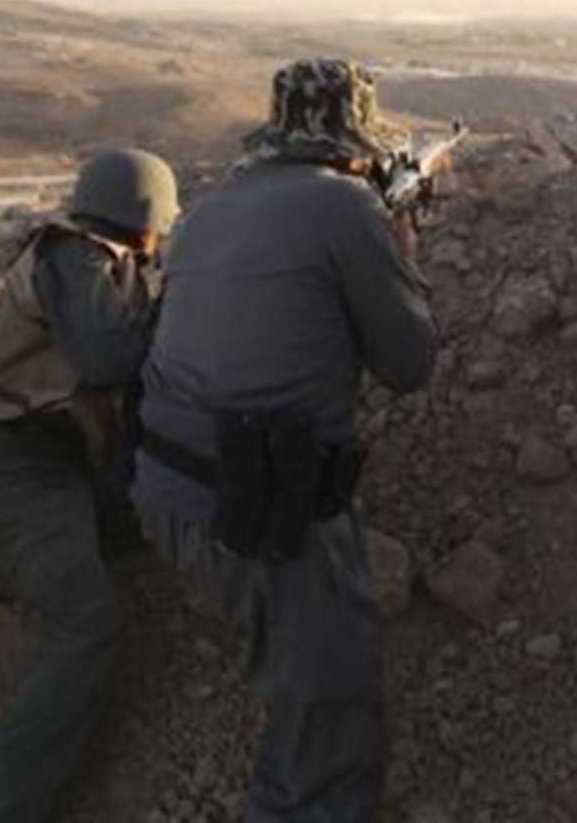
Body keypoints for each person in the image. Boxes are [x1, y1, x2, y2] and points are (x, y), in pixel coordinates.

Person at [132, 58, 435, 823]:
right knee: (327, 727)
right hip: (265, 502)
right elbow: (409, 365)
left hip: (167, 490)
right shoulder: (344, 208)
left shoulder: (208, 208)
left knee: (299, 690)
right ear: (356, 139)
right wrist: (401, 244)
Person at [0, 147, 180, 823]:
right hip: (10, 466)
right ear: (147, 216)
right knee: (85, 621)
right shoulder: (76, 257)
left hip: (62, 467)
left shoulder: (109, 265)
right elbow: (108, 360)